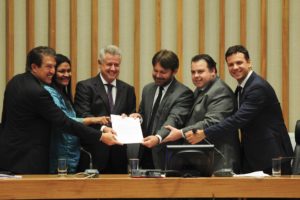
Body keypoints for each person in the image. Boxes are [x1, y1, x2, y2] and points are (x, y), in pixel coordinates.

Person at [0, 46, 120, 174]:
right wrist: (100, 136)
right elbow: (64, 122)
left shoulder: (15, 81)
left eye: (53, 67)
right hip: (27, 160)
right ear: (34, 67)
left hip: (8, 154)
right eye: (48, 67)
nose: (52, 71)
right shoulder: (38, 92)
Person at [186, 45, 293, 174]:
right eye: (231, 64)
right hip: (255, 155)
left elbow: (237, 120)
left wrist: (205, 133)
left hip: (273, 156)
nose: (235, 67)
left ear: (249, 62)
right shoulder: (242, 87)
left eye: (239, 63)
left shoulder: (257, 87)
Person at [163, 54, 241, 173]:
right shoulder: (202, 89)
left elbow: (211, 122)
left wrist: (180, 133)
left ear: (213, 71)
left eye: (200, 71)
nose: (196, 76)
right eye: (193, 72)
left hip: (221, 162)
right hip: (205, 159)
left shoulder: (220, 91)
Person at [44, 54, 111, 173]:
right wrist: (92, 120)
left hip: (72, 154)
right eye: (61, 71)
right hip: (59, 155)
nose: (66, 74)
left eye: (69, 71)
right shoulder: (50, 92)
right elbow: (64, 120)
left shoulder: (64, 94)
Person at [74, 45, 136, 174]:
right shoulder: (85, 87)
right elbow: (83, 116)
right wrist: (103, 129)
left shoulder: (128, 89)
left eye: (117, 65)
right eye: (109, 64)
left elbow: (132, 113)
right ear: (99, 63)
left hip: (119, 156)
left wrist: (133, 118)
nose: (113, 69)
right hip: (93, 153)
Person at [130, 49, 193, 170]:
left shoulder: (183, 93)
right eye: (155, 71)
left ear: (174, 71)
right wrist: (138, 118)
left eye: (163, 72)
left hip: (165, 156)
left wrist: (158, 138)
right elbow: (143, 113)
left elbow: (173, 120)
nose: (158, 75)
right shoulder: (148, 89)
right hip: (145, 153)